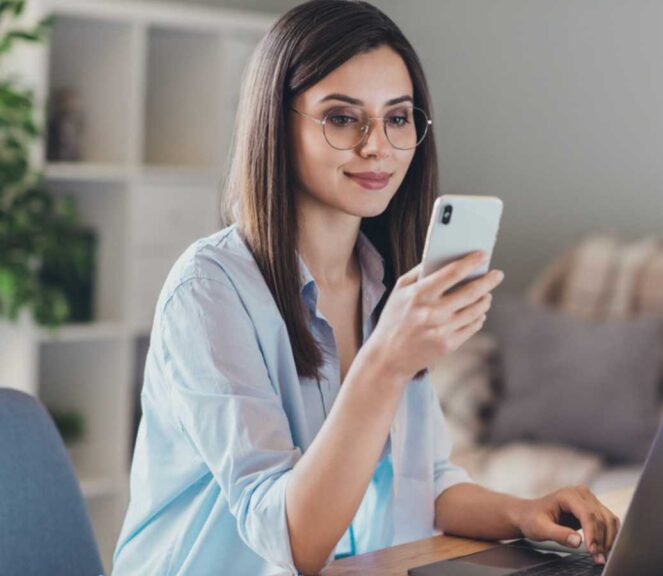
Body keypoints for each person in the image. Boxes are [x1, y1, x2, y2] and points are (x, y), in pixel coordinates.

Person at [112, 1, 619, 574]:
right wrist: (386, 362)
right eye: (342, 117)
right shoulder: (209, 291)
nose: (377, 145)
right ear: (277, 124)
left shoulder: (384, 282)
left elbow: (422, 484)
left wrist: (523, 513)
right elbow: (291, 539)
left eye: (398, 117)